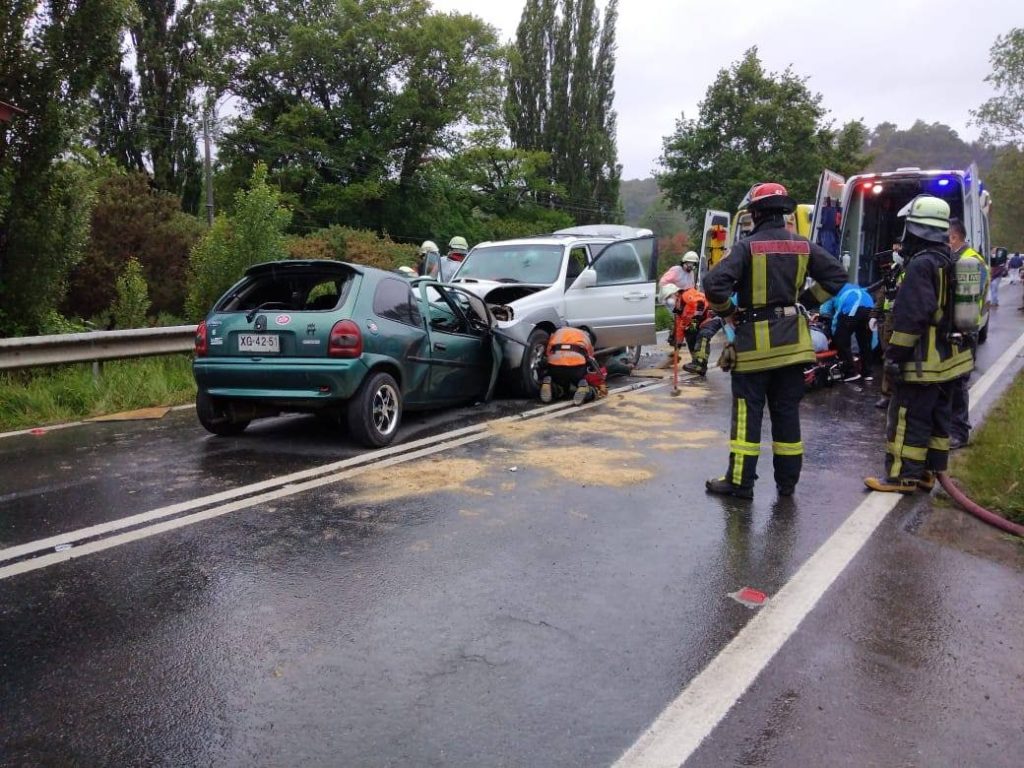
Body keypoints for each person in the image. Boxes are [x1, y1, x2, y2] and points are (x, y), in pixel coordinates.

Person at [702, 182, 848, 499]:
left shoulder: (745, 248)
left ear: (755, 213)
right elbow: (837, 276)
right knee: (786, 414)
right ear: (784, 213)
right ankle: (787, 483)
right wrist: (805, 303)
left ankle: (740, 483)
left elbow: (713, 283)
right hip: (793, 347)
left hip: (754, 349)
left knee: (747, 417)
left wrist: (730, 312)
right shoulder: (803, 246)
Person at [864, 196, 974, 494]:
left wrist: (894, 357)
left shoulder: (921, 265)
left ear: (916, 229)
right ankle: (928, 474)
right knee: (937, 420)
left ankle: (901, 476)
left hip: (923, 362)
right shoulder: (950, 259)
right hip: (949, 362)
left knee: (906, 417)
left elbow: (911, 317)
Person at [947, 218, 989, 448]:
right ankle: (952, 429)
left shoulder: (970, 262)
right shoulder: (968, 258)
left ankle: (960, 432)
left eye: (946, 239)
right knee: (953, 380)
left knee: (958, 381)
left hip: (966, 329)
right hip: (964, 327)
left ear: (954, 237)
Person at [869, 244, 904, 408]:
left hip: (902, 319)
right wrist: (874, 315)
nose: (895, 253)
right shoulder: (893, 271)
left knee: (898, 357)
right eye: (894, 250)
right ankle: (887, 394)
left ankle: (898, 394)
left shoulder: (910, 271)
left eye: (898, 250)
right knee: (887, 357)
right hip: (888, 320)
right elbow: (882, 294)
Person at [818, 283, 875, 382]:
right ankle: (867, 373)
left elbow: (827, 313)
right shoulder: (853, 286)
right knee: (865, 342)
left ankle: (850, 372)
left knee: (841, 339)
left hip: (852, 305)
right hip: (870, 306)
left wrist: (833, 333)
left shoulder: (831, 292)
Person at [538, 326, 607, 406]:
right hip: (576, 369)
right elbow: (590, 357)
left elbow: (548, 353)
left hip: (555, 368)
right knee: (591, 384)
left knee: (561, 386)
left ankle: (551, 385)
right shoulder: (585, 336)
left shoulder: (559, 332)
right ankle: (585, 389)